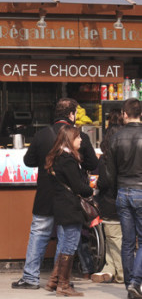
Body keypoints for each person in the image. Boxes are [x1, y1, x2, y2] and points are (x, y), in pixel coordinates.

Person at [11, 98, 98, 290]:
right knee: (65, 236)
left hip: (45, 192)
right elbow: (93, 164)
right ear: (71, 114)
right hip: (68, 196)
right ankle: (60, 277)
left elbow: (28, 160)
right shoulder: (78, 136)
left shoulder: (41, 135)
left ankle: (30, 277)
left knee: (39, 233)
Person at [45, 125, 94, 297]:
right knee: (70, 244)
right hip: (70, 207)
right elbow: (78, 186)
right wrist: (91, 189)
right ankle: (63, 285)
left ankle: (55, 279)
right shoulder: (68, 160)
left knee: (65, 241)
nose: (81, 140)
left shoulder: (58, 157)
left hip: (61, 206)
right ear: (70, 139)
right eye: (78, 137)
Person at [107, 98, 142, 298]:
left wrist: (113, 193)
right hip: (140, 190)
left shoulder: (115, 138)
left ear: (124, 114)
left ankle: (130, 283)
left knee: (127, 241)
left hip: (122, 191)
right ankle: (136, 282)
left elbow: (110, 172)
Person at [91, 109, 124, 284]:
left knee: (114, 239)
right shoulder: (125, 158)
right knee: (116, 239)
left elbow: (104, 183)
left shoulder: (105, 160)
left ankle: (121, 273)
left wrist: (96, 184)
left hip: (110, 204)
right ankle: (109, 269)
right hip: (127, 201)